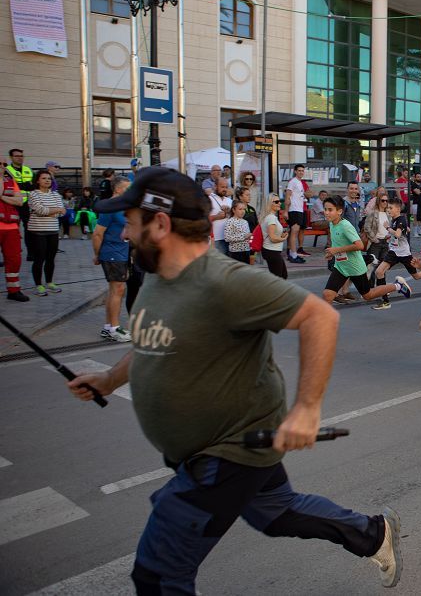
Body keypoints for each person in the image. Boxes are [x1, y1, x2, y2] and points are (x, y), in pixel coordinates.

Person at [66, 167, 401, 593]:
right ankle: (373, 534)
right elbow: (155, 340)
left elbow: (320, 317)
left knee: (158, 572)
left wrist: (306, 409)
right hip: (212, 450)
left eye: (131, 223)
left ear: (161, 224)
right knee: (277, 514)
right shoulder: (157, 277)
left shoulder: (223, 281)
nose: (127, 234)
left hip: (228, 451)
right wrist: (109, 380)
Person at [321, 198, 410, 306]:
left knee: (368, 295)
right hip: (341, 266)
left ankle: (398, 285)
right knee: (327, 295)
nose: (326, 212)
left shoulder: (345, 226)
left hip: (355, 267)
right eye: (325, 209)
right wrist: (332, 252)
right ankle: (326, 322)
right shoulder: (332, 224)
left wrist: (336, 250)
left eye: (330, 210)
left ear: (339, 211)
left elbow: (359, 245)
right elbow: (339, 242)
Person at [93, 176, 132, 341]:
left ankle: (108, 327)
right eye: (127, 188)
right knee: (118, 289)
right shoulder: (110, 207)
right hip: (112, 252)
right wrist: (97, 255)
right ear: (117, 189)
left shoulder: (123, 206)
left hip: (121, 251)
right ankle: (115, 329)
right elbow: (97, 233)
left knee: (115, 290)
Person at [371, 200, 418, 310]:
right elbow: (405, 230)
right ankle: (385, 301)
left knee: (417, 276)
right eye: (388, 208)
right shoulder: (396, 220)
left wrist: (388, 228)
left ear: (398, 209)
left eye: (391, 208)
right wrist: (390, 236)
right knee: (379, 272)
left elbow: (397, 233)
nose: (388, 210)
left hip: (404, 253)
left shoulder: (400, 219)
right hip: (393, 251)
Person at [26, 170, 63, 296]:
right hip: (37, 231)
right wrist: (55, 210)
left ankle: (49, 282)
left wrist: (51, 211)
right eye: (44, 178)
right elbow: (40, 210)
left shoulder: (56, 195)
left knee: (51, 258)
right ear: (38, 180)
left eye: (49, 178)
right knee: (39, 259)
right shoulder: (33, 194)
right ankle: (38, 285)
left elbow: (61, 212)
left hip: (53, 230)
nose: (47, 180)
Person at [0, 163, 26, 301]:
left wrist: (3, 198)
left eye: (4, 164)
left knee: (14, 259)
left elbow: (20, 201)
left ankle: (14, 290)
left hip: (11, 228)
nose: (3, 167)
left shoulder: (11, 182)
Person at [285, 165, 310, 263]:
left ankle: (292, 254)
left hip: (299, 210)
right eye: (299, 170)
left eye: (302, 171)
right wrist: (286, 211)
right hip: (293, 210)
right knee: (294, 232)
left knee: (295, 232)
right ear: (295, 171)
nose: (301, 172)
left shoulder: (300, 182)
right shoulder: (293, 181)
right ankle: (293, 255)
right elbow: (287, 195)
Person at [6, 148, 32, 244]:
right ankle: (15, 250)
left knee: (29, 228)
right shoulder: (7, 170)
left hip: (27, 203)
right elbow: (9, 186)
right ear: (11, 157)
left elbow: (33, 186)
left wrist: (19, 184)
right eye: (16, 156)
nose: (20, 158)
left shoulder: (28, 169)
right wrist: (26, 185)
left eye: (21, 156)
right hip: (12, 202)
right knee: (13, 227)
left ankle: (30, 253)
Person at [260, 194, 289, 279]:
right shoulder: (271, 218)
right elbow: (272, 238)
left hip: (272, 250)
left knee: (282, 276)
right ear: (269, 204)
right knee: (279, 278)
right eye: (276, 202)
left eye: (280, 201)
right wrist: (283, 238)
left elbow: (272, 234)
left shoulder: (271, 217)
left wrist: (281, 235)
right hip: (272, 251)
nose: (279, 203)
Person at [208, 178, 233, 255]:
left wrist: (229, 213)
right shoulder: (209, 199)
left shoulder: (230, 201)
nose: (225, 189)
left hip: (230, 239)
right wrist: (216, 217)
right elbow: (202, 218)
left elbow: (236, 218)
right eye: (222, 187)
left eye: (226, 187)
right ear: (215, 187)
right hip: (215, 239)